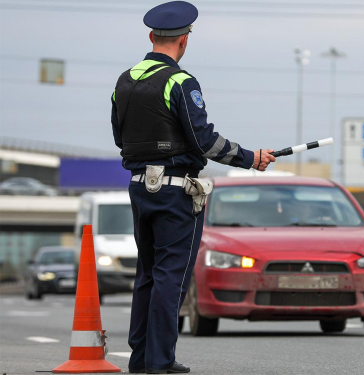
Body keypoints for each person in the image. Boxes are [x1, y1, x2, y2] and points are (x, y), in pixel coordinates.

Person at [110, 1, 276, 373]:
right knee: (173, 275)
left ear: (151, 36)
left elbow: (121, 138)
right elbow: (204, 141)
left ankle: (141, 358)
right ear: (184, 41)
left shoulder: (123, 81)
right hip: (174, 192)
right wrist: (251, 157)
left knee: (148, 273)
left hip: (139, 187)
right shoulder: (180, 82)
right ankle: (160, 361)